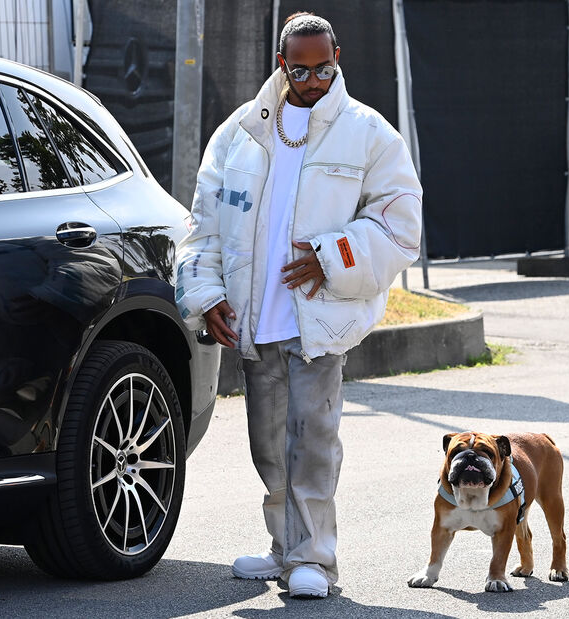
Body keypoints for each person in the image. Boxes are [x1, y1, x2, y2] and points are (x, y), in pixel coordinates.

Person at [175, 12, 423, 600]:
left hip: (318, 319)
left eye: (324, 67)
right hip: (255, 318)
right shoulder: (240, 132)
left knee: (311, 440)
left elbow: (401, 224)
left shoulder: (368, 132)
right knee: (268, 442)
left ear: (338, 57)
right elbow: (204, 223)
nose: (312, 79)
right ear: (282, 65)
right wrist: (206, 294)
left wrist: (333, 256)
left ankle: (315, 558)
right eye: (301, 68)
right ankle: (283, 549)